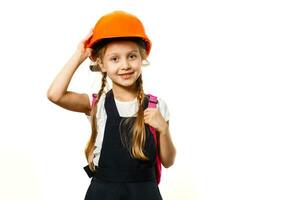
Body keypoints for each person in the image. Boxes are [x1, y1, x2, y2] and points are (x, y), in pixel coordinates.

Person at [47, 10, 176, 200]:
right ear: (102, 64)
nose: (125, 65)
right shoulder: (97, 104)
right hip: (103, 193)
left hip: (144, 193)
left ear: (142, 58)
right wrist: (79, 55)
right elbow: (55, 95)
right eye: (114, 58)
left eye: (132, 56)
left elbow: (168, 161)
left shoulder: (156, 106)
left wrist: (163, 130)